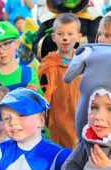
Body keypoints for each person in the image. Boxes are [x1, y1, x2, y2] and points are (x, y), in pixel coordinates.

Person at [38, 13, 82, 150]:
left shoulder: (83, 60)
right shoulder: (49, 65)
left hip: (82, 118)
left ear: (78, 37)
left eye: (70, 34)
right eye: (60, 34)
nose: (65, 38)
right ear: (53, 37)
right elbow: (44, 96)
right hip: (60, 121)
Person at [33, 0, 102, 60]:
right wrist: (49, 40)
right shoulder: (49, 18)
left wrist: (72, 40)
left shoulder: (93, 16)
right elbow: (37, 49)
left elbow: (99, 46)